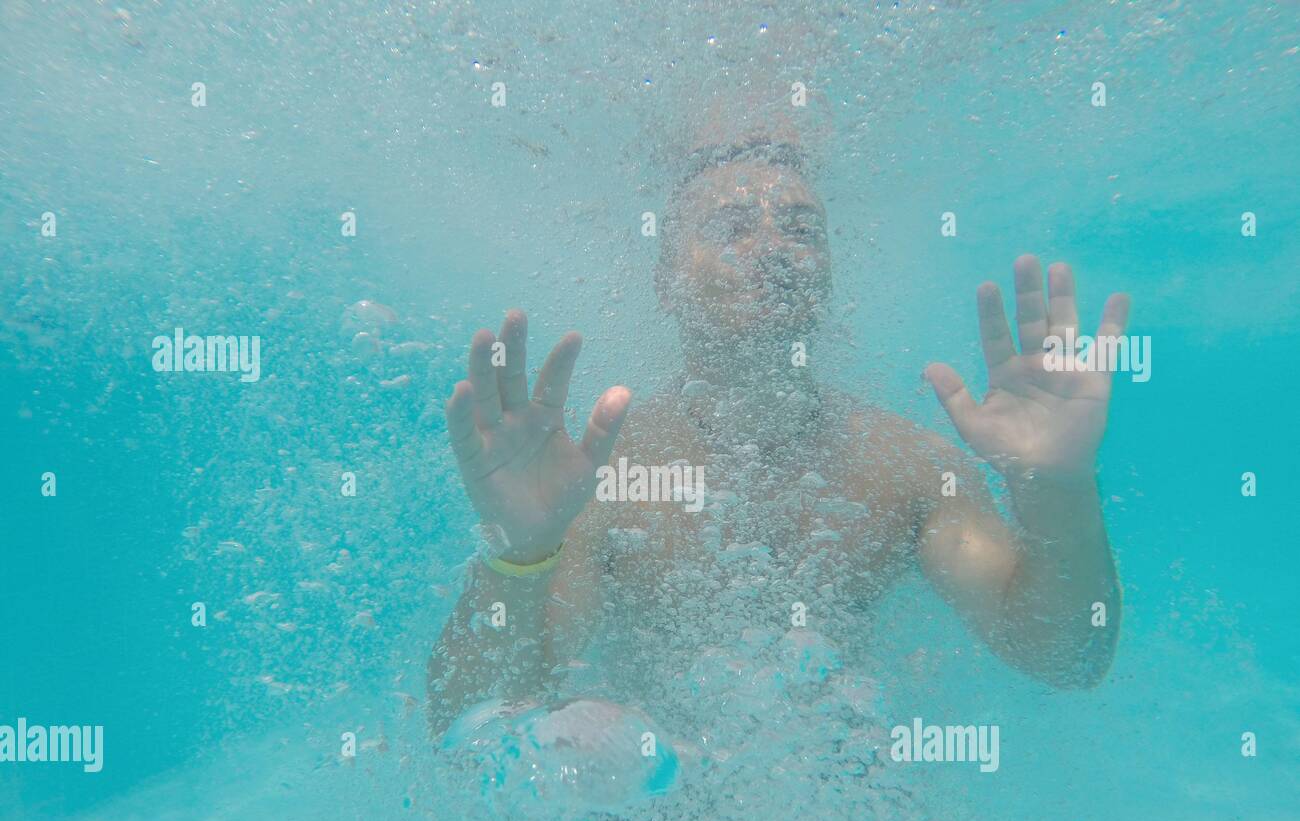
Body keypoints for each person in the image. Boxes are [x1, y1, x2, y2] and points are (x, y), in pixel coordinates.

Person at [428, 119, 1130, 738]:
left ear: (827, 272)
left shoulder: (910, 469)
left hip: (845, 812)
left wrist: (1059, 489)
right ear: (666, 281)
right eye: (732, 228)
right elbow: (476, 713)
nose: (773, 248)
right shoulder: (599, 479)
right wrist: (519, 554)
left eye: (801, 229)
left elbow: (1065, 656)